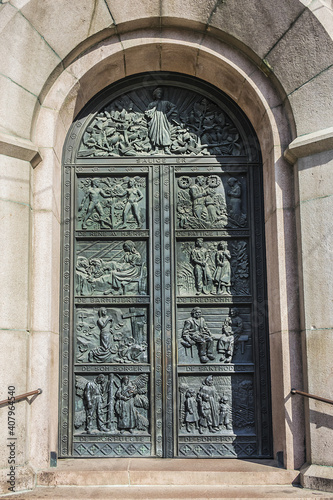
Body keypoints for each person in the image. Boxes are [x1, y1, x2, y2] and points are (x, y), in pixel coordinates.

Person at [145, 87, 177, 154]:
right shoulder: (151, 104)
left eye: (160, 93)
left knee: (164, 132)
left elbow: (174, 106)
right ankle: (156, 148)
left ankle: (166, 148)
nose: (159, 94)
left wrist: (168, 114)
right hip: (155, 120)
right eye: (158, 93)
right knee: (155, 133)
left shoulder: (165, 103)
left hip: (163, 120)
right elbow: (147, 112)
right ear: (155, 95)